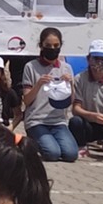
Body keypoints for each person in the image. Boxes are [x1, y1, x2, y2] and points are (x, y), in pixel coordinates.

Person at [20, 28, 78, 162]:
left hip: (58, 121)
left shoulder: (66, 68)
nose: (52, 49)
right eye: (48, 46)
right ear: (41, 46)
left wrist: (70, 84)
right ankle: (33, 142)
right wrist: (38, 84)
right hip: (37, 120)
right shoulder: (31, 67)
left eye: (56, 46)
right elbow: (27, 100)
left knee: (71, 154)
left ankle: (48, 140)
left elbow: (71, 101)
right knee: (52, 154)